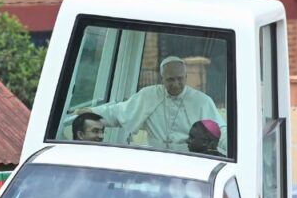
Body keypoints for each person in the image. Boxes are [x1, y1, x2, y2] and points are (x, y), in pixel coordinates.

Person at [82, 56, 225, 152]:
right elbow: (117, 112)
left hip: (187, 159)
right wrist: (90, 112)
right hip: (155, 157)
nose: (176, 84)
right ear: (162, 79)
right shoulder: (148, 95)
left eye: (180, 79)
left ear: (186, 77)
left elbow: (219, 131)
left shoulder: (202, 102)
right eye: (170, 79)